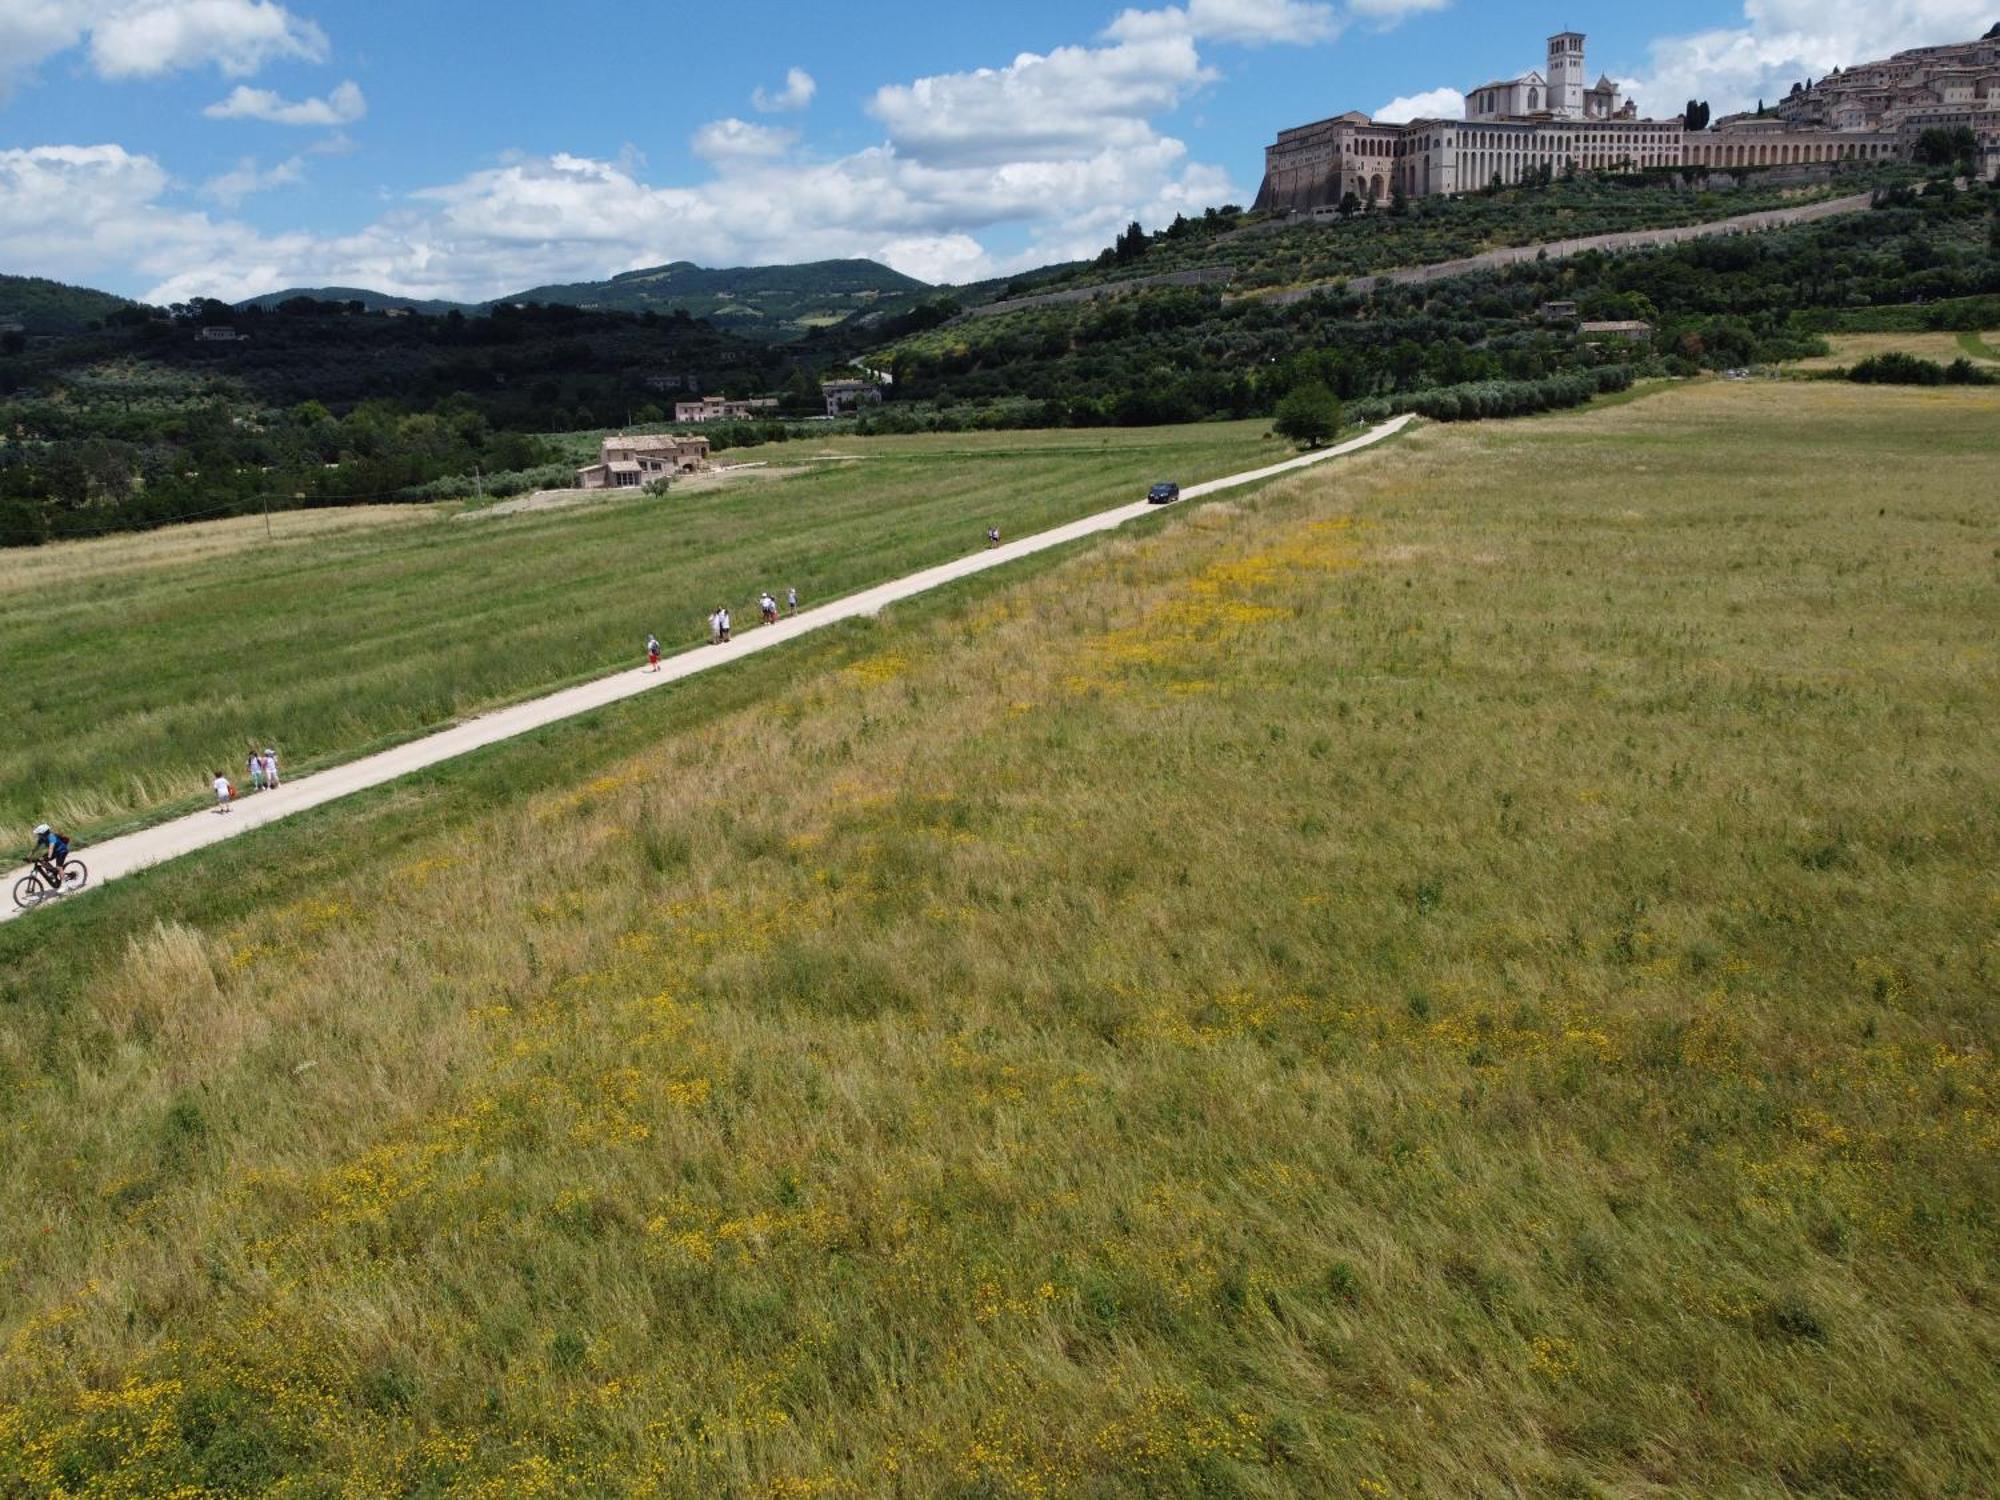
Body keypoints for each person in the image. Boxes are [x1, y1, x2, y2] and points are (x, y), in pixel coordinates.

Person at [30, 823, 69, 890]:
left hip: (61, 851)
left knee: (59, 867)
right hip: (54, 851)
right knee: (41, 859)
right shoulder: (42, 838)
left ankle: (65, 885)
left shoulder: (51, 837)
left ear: (44, 833)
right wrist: (29, 856)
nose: (38, 835)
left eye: (39, 834)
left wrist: (49, 856)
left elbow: (51, 847)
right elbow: (35, 848)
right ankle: (51, 872)